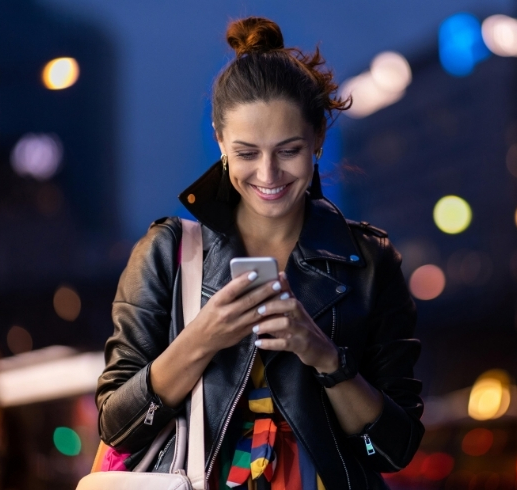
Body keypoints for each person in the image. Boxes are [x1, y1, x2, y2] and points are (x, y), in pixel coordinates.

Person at [96, 16, 424, 490]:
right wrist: (200, 339)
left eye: (288, 150)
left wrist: (325, 357)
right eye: (247, 153)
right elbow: (117, 428)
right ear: (220, 141)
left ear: (317, 142)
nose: (268, 174)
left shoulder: (369, 263)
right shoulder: (168, 253)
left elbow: (393, 450)